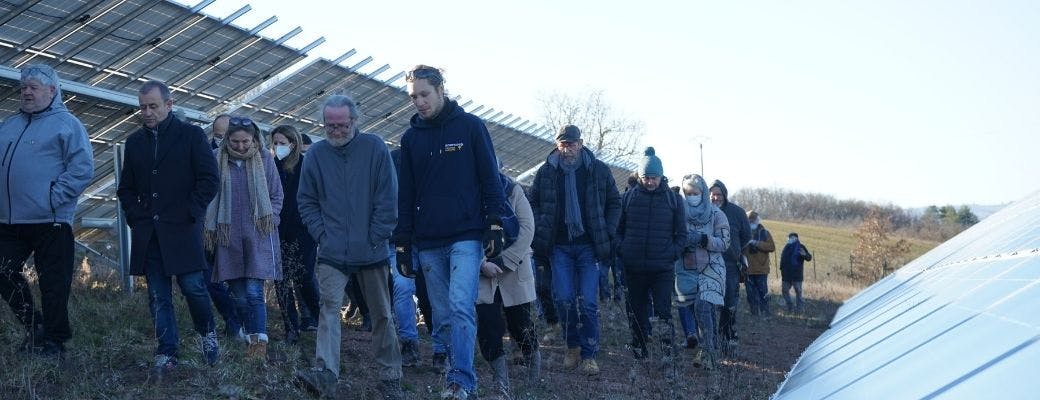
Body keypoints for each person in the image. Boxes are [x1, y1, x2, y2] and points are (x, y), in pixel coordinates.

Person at [395, 65, 507, 399]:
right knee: (442, 314)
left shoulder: (470, 128)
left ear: (441, 89)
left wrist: (495, 224)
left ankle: (460, 381)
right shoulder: (410, 139)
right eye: (413, 97)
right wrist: (402, 242)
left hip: (466, 235)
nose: (419, 102)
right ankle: (456, 372)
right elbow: (406, 195)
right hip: (429, 240)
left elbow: (490, 178)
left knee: (461, 305)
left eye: (424, 94)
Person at [295, 95, 403, 399]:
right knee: (328, 310)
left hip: (372, 249)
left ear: (354, 121)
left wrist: (377, 235)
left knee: (382, 313)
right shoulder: (315, 154)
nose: (336, 130)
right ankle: (325, 373)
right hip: (332, 251)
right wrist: (321, 234)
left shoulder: (375, 148)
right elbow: (306, 200)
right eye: (330, 125)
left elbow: (388, 197)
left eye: (341, 125)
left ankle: (390, 376)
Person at [117, 80, 221, 374]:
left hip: (183, 227)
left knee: (194, 287)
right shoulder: (135, 142)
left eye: (153, 106)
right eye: (143, 107)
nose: (147, 112)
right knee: (157, 295)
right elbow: (125, 188)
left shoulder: (190, 136)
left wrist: (192, 211)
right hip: (149, 231)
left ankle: (207, 335)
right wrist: (136, 216)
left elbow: (209, 179)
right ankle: (167, 351)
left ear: (169, 105)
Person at [0, 64, 94, 358]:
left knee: (53, 283)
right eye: (23, 87)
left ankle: (55, 341)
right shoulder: (9, 124)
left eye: (34, 87)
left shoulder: (67, 124)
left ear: (52, 91)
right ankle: (34, 325)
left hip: (50, 220)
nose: (26, 92)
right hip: (9, 219)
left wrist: (53, 198)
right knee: (2, 270)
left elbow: (81, 169)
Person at [529, 124, 621, 375]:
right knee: (563, 298)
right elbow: (533, 203)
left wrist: (608, 231)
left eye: (571, 144)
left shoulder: (598, 170)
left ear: (580, 144)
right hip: (559, 246)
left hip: (589, 246)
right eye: (563, 144)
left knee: (589, 302)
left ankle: (589, 354)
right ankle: (572, 345)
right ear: (557, 145)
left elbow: (615, 203)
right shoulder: (547, 172)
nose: (567, 149)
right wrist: (541, 226)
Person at [205, 117, 283, 360]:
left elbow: (276, 195)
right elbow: (209, 195)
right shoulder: (217, 159)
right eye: (235, 141)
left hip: (258, 236)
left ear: (254, 139)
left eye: (245, 141)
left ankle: (259, 343)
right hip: (228, 239)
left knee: (253, 292)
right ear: (227, 139)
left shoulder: (264, 160)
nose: (240, 146)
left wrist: (270, 221)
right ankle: (248, 335)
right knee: (238, 294)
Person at [617, 147, 686, 360]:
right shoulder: (627, 198)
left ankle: (667, 352)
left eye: (654, 178)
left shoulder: (674, 200)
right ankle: (640, 351)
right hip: (634, 267)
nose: (650, 182)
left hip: (662, 269)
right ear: (640, 176)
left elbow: (682, 235)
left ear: (661, 176)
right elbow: (617, 230)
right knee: (635, 312)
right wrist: (623, 250)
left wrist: (671, 254)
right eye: (646, 177)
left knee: (663, 312)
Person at [476, 172, 540, 395]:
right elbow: (463, 232)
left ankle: (534, 373)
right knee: (488, 327)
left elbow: (527, 229)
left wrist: (504, 261)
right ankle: (501, 382)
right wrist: (482, 263)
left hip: (514, 266)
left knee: (520, 324)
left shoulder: (513, 191)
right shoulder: (467, 191)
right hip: (481, 272)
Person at [270, 125, 320, 344]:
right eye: (276, 143)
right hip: (277, 231)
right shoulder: (272, 166)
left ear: (294, 143)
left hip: (302, 232)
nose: (278, 147)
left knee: (304, 278)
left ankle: (320, 318)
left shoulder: (305, 165)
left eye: (283, 143)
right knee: (281, 281)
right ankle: (291, 327)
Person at [674, 174, 729, 370]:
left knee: (703, 305)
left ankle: (707, 350)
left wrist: (704, 239)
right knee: (698, 310)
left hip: (712, 267)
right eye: (688, 193)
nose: (692, 196)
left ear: (703, 193)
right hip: (687, 267)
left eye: (695, 192)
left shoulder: (716, 215)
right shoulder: (679, 214)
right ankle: (709, 349)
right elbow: (674, 236)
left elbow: (725, 243)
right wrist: (682, 243)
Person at [388, 148, 421, 367]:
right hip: (399, 241)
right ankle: (409, 341)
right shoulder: (393, 160)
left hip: (428, 239)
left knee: (433, 295)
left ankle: (442, 347)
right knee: (402, 288)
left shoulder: (430, 161)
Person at [709, 179, 750, 349]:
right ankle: (709, 340)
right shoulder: (704, 212)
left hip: (730, 265)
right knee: (708, 303)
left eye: (719, 194)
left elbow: (746, 236)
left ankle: (727, 337)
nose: (715, 198)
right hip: (708, 263)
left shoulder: (737, 213)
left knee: (729, 303)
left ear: (724, 195)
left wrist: (735, 250)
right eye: (712, 194)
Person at [743, 211, 775, 316]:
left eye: (753, 220)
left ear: (757, 220)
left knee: (763, 293)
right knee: (750, 295)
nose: (752, 222)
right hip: (747, 270)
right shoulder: (742, 232)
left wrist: (756, 243)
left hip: (761, 270)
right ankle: (754, 314)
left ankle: (766, 313)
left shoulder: (765, 233)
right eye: (750, 220)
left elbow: (771, 247)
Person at [780, 232, 812, 313]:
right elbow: (783, 260)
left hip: (796, 275)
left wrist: (804, 254)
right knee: (784, 290)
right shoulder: (786, 247)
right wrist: (782, 270)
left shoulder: (801, 247)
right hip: (786, 275)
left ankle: (799, 310)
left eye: (793, 238)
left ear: (797, 238)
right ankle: (790, 306)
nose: (791, 239)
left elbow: (809, 258)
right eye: (790, 238)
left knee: (798, 292)